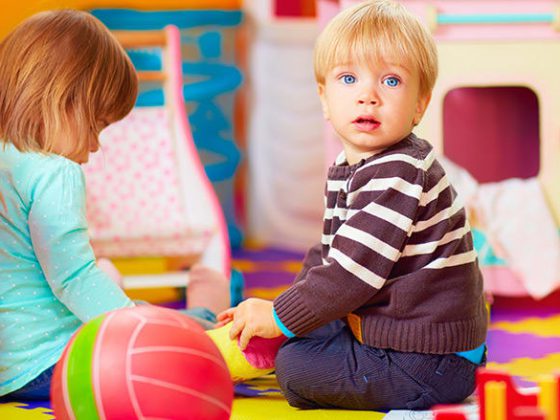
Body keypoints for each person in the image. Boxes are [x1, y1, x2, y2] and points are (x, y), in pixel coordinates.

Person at [217, 0, 488, 411]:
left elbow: (349, 275)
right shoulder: (352, 166)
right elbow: (329, 255)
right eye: (349, 78)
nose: (368, 96)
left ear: (420, 104)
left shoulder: (400, 171)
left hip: (429, 360)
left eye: (391, 81)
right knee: (305, 326)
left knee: (295, 369)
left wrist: (278, 319)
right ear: (324, 99)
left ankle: (283, 352)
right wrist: (283, 313)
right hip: (401, 339)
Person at [0, 10, 229, 400]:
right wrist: (139, 327)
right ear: (63, 101)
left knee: (117, 288)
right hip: (55, 360)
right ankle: (211, 308)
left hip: (10, 370)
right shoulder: (56, 172)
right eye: (97, 124)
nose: (94, 146)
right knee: (189, 341)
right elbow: (73, 279)